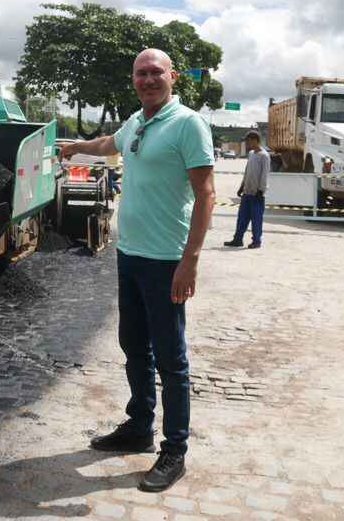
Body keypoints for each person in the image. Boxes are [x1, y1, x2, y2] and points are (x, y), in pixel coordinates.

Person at [59, 48, 215, 492]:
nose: (148, 79)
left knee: (171, 357)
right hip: (129, 254)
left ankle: (175, 449)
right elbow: (108, 145)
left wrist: (191, 261)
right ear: (133, 80)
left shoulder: (188, 124)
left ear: (172, 77)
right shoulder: (136, 121)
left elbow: (206, 194)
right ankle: (139, 426)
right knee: (133, 344)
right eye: (141, 73)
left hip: (167, 260)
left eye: (155, 73)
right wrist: (76, 148)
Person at [224, 130, 270, 249]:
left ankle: (256, 241)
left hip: (257, 194)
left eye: (248, 140)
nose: (247, 143)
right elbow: (247, 171)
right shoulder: (251, 154)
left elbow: (264, 175)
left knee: (256, 219)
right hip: (247, 192)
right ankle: (237, 239)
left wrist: (261, 190)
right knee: (242, 218)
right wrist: (242, 185)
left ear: (254, 140)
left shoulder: (264, 156)